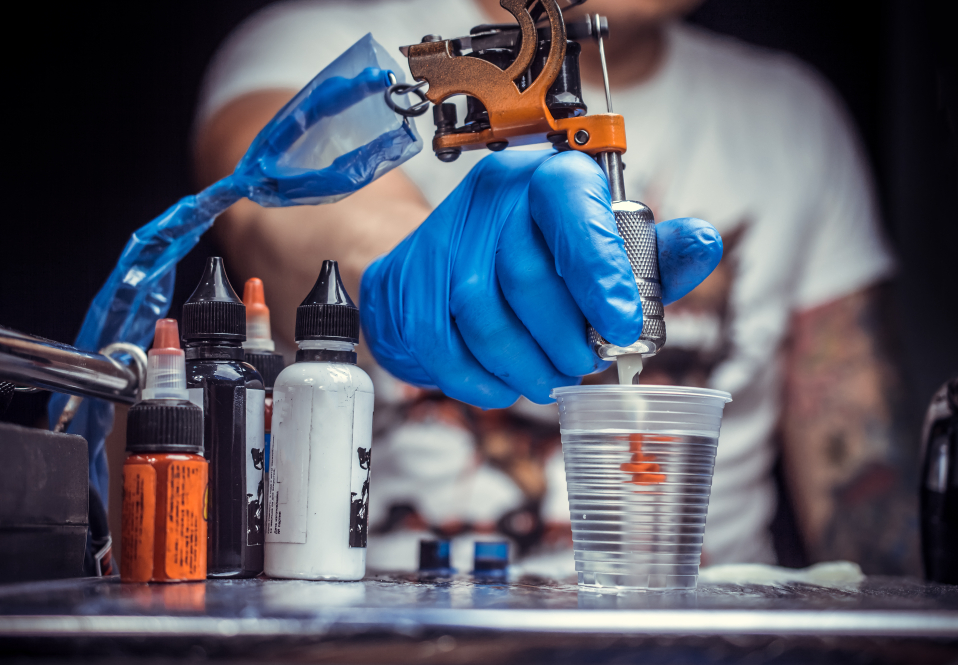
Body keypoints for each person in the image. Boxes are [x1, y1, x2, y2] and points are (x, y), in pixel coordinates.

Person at [194, 0, 917, 572]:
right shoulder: (317, 49)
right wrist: (400, 263)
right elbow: (270, 209)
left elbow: (861, 488)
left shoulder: (792, 119)